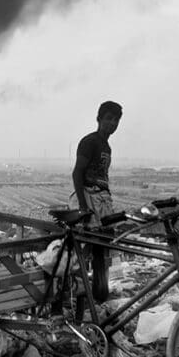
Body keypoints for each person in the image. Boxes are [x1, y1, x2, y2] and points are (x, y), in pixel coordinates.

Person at [71, 100, 122, 301]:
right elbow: (77, 174)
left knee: (103, 247)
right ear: (99, 119)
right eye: (108, 118)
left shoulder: (106, 146)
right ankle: (74, 291)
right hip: (89, 199)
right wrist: (83, 207)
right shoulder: (89, 142)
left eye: (116, 120)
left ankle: (99, 293)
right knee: (85, 246)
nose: (112, 123)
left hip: (102, 201)